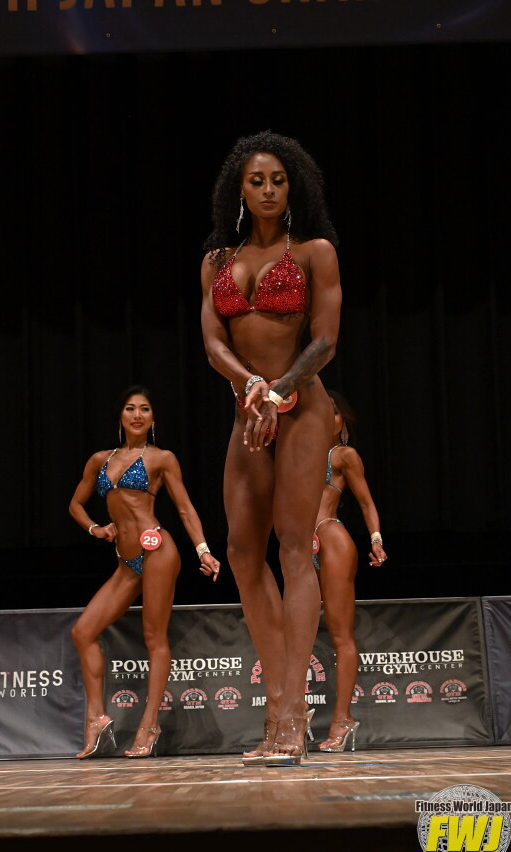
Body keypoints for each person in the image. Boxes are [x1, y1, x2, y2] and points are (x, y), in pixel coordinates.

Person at [201, 131, 342, 765]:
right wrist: (250, 386)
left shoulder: (314, 252)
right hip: (248, 408)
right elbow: (213, 342)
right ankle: (280, 697)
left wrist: (280, 389)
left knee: (291, 544)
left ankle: (290, 714)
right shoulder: (216, 261)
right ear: (239, 188)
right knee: (239, 550)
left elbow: (326, 340)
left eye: (278, 180)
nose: (267, 190)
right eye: (256, 180)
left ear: (293, 188)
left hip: (303, 406)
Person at [68, 385, 220, 759]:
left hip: (158, 551)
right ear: (120, 415)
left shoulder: (161, 458)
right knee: (82, 632)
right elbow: (75, 504)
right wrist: (95, 528)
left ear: (153, 418)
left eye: (145, 409)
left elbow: (184, 508)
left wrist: (203, 549)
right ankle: (96, 719)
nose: (137, 415)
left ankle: (149, 724)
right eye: (130, 408)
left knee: (155, 637)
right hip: (126, 562)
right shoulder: (99, 460)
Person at [312, 390, 387, 752]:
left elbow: (366, 502)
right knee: (298, 631)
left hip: (332, 540)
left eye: (334, 412)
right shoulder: (298, 455)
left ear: (342, 421)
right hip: (303, 548)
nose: (327, 418)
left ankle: (342, 719)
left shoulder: (343, 455)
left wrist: (376, 539)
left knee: (340, 634)